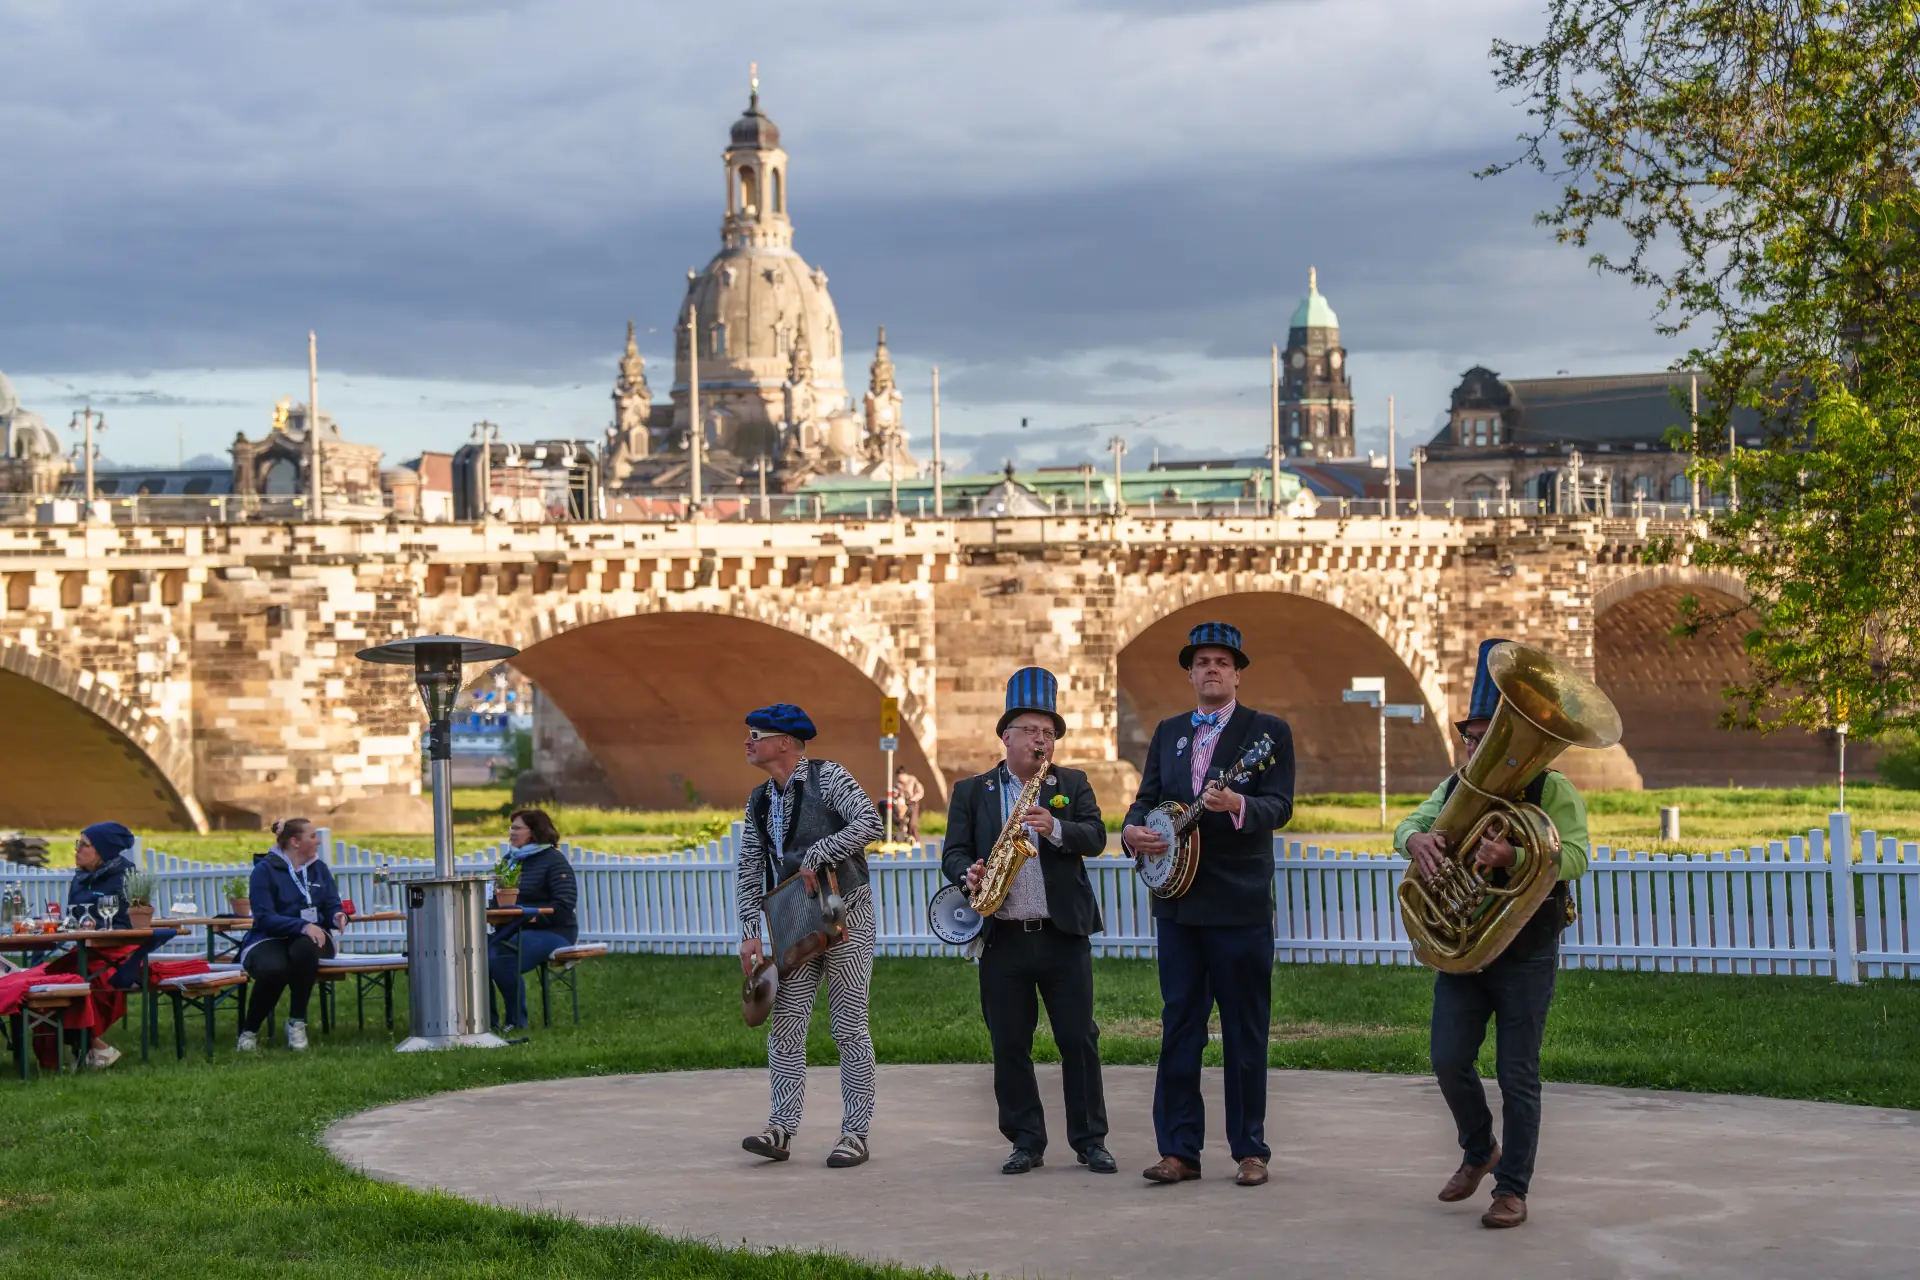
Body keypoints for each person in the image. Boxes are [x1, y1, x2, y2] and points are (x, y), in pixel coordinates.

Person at [1397, 638, 1592, 1230]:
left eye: (1491, 737)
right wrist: (1416, 840)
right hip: (1466, 948)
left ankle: (1513, 1189)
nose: (1480, 749)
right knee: (1448, 1058)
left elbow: (1578, 855)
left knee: (1517, 1073)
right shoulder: (1455, 787)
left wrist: (1513, 853)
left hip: (1526, 949)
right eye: (1474, 738)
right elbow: (1412, 821)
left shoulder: (1552, 790)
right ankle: (1480, 1148)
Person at [1121, 622, 1295, 1188]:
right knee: (1179, 1027)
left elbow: (1280, 805)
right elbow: (1148, 800)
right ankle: (1178, 1150)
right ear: (1191, 673)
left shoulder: (1267, 732)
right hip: (1177, 906)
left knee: (1246, 1030)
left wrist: (1239, 802)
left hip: (1239, 904)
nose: (1212, 669)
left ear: (1237, 673)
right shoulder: (1169, 731)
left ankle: (1250, 1149)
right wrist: (1133, 832)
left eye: (1222, 661)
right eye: (1201, 662)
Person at [942, 667, 1114, 1176]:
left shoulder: (1072, 784)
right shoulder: (972, 791)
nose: (1043, 741)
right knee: (1009, 1042)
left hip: (1062, 934)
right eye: (1032, 731)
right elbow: (952, 851)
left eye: (1050, 733)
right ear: (1006, 736)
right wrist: (966, 871)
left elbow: (1097, 837)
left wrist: (1056, 826)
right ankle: (1025, 1140)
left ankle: (1090, 1141)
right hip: (1003, 936)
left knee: (1079, 1039)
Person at [735, 702, 883, 1169]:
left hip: (849, 915)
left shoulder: (829, 775)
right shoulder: (758, 799)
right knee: (785, 1024)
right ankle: (780, 1128)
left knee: (848, 1027)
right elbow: (749, 867)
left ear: (784, 742)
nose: (747, 741)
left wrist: (821, 850)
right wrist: (749, 932)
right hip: (793, 922)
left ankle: (855, 1135)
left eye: (755, 734)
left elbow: (871, 823)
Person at [236, 818, 346, 1052]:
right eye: (312, 836)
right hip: (270, 937)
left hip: (311, 939)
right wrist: (302, 926)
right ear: (295, 842)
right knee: (273, 968)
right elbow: (265, 918)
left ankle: (297, 1022)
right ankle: (250, 1031)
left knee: (304, 948)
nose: (317, 841)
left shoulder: (319, 869)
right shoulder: (264, 871)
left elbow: (332, 904)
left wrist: (337, 915)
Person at [487, 808, 578, 1031]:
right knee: (475, 956)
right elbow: (496, 899)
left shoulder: (553, 861)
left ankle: (516, 1023)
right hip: (512, 929)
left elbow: (564, 905)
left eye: (517, 828)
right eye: (511, 827)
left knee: (503, 956)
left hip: (554, 932)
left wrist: (527, 916)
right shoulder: (510, 861)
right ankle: (486, 1024)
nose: (511, 832)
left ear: (533, 831)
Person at [892, 766, 925, 840]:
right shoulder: (898, 783)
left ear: (905, 774)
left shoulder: (912, 780)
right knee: (903, 822)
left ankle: (916, 841)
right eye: (899, 777)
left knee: (912, 823)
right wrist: (895, 795)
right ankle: (906, 839)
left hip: (913, 803)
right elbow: (896, 794)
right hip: (903, 804)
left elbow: (920, 791)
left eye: (901, 776)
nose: (900, 778)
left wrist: (914, 798)